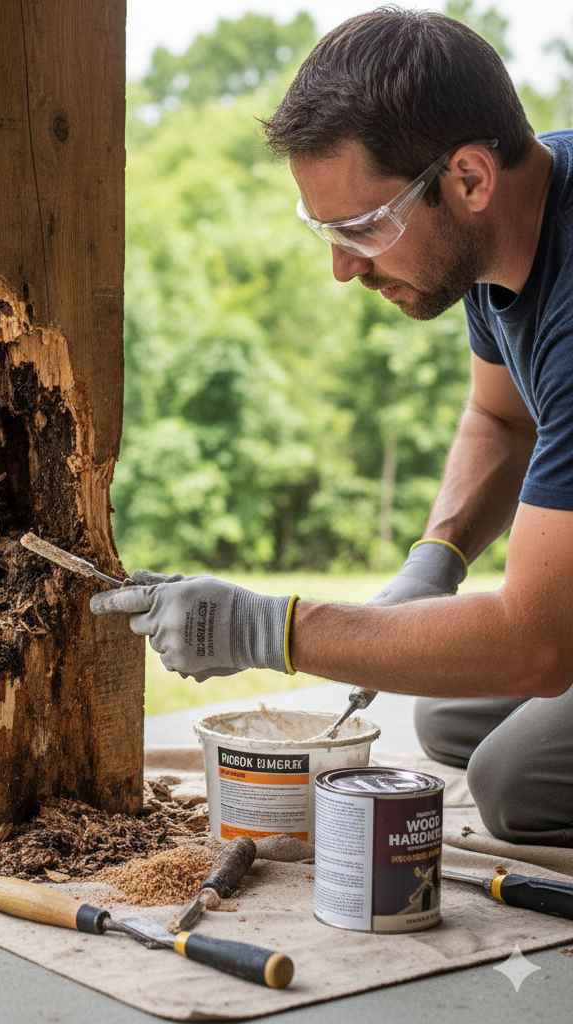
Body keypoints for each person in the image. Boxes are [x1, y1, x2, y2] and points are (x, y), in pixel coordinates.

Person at [92, 8, 573, 846]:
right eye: (326, 230)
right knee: (452, 717)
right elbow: (501, 420)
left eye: (363, 228)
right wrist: (436, 563)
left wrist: (269, 628)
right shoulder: (505, 240)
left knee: (514, 779)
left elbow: (535, 644)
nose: (343, 267)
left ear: (467, 179)